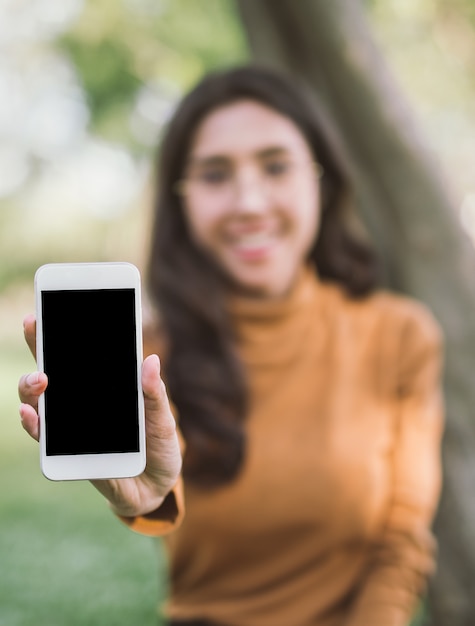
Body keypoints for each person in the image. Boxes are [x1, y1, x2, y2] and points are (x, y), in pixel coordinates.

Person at [19, 65, 444, 626]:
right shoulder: (149, 354)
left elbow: (402, 538)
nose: (248, 201)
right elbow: (160, 496)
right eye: (215, 175)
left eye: (275, 166)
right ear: (182, 200)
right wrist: (151, 500)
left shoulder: (399, 335)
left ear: (322, 180)